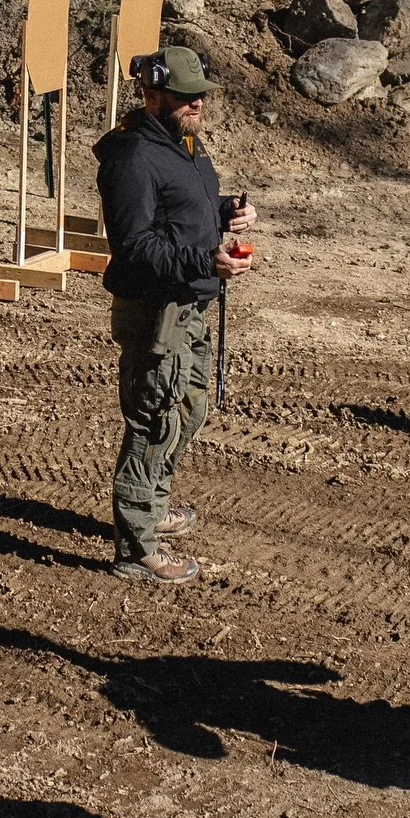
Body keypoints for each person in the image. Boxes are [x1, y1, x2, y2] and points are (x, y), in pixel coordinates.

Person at [95, 45, 257, 584]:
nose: (197, 106)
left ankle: (152, 507)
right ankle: (136, 549)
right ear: (153, 94)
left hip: (190, 305)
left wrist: (226, 212)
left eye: (201, 97)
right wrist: (201, 256)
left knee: (188, 411)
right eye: (186, 98)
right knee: (153, 420)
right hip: (155, 310)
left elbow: (185, 210)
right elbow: (134, 245)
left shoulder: (184, 143)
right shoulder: (132, 158)